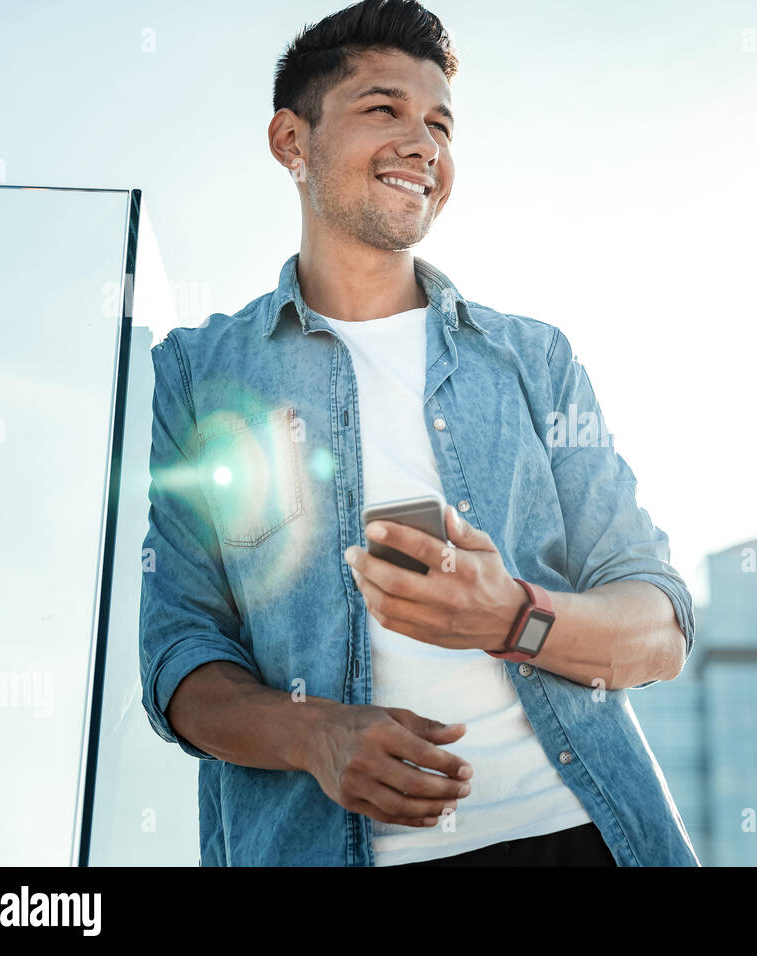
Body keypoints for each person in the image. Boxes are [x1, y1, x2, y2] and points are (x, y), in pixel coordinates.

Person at [138, 0, 698, 867]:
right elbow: (179, 656)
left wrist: (515, 616)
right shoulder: (200, 372)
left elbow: (656, 627)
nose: (422, 144)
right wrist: (314, 735)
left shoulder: (533, 358)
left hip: (583, 837)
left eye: (440, 123)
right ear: (292, 141)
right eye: (383, 110)